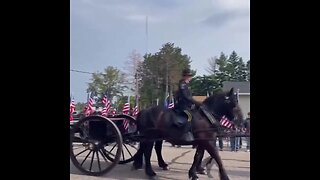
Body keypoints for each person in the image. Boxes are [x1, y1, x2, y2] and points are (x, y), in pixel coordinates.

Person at [174, 68, 218, 142]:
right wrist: (196, 102)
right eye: (189, 76)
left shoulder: (186, 84)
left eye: (190, 76)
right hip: (182, 106)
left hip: (188, 105)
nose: (190, 77)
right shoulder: (183, 84)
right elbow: (186, 97)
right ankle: (185, 133)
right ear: (185, 76)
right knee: (190, 116)